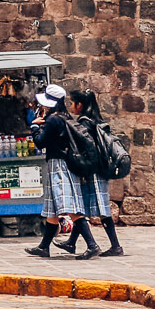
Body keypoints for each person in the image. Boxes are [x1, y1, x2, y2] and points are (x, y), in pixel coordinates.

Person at [27, 85, 101, 260]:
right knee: (52, 208)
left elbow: (41, 142)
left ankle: (92, 245)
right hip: (62, 163)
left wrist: (35, 128)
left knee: (69, 206)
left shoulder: (53, 120)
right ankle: (44, 247)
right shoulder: (64, 118)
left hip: (58, 165)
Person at [65, 89, 125, 257]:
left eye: (72, 103)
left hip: (94, 171)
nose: (71, 107)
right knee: (82, 207)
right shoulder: (96, 120)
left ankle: (115, 246)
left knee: (101, 208)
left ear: (80, 105)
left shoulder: (85, 123)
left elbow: (89, 150)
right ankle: (71, 242)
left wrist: (85, 169)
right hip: (99, 170)